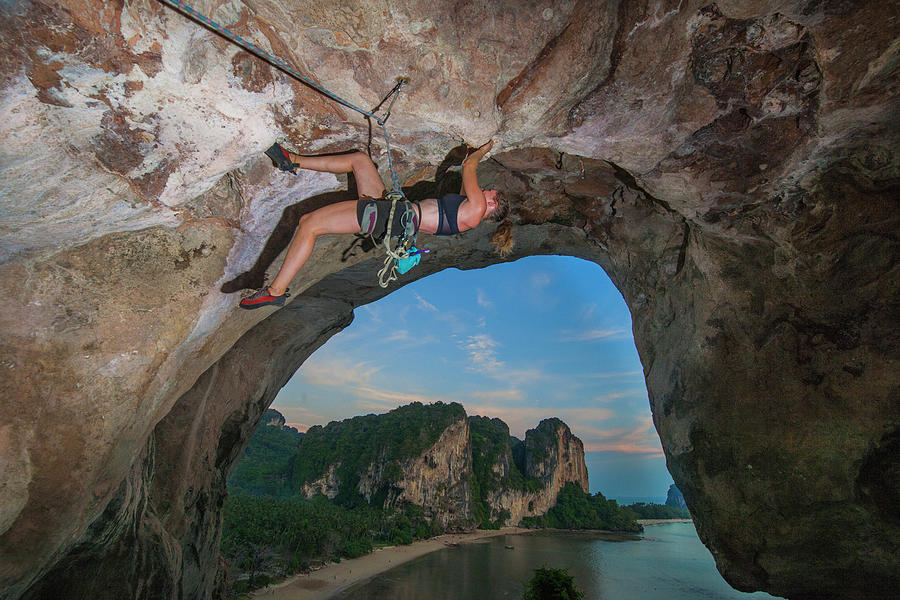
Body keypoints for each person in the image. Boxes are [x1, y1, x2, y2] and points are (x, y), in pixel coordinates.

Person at [240, 140, 511, 309]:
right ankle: (292, 160)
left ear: (492, 204)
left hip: (388, 217)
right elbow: (465, 171)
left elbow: (469, 169)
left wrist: (484, 150)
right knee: (360, 160)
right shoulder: (467, 208)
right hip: (392, 211)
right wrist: (467, 153)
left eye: (491, 193)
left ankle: (275, 291)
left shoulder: (475, 212)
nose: (486, 190)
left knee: (309, 223)